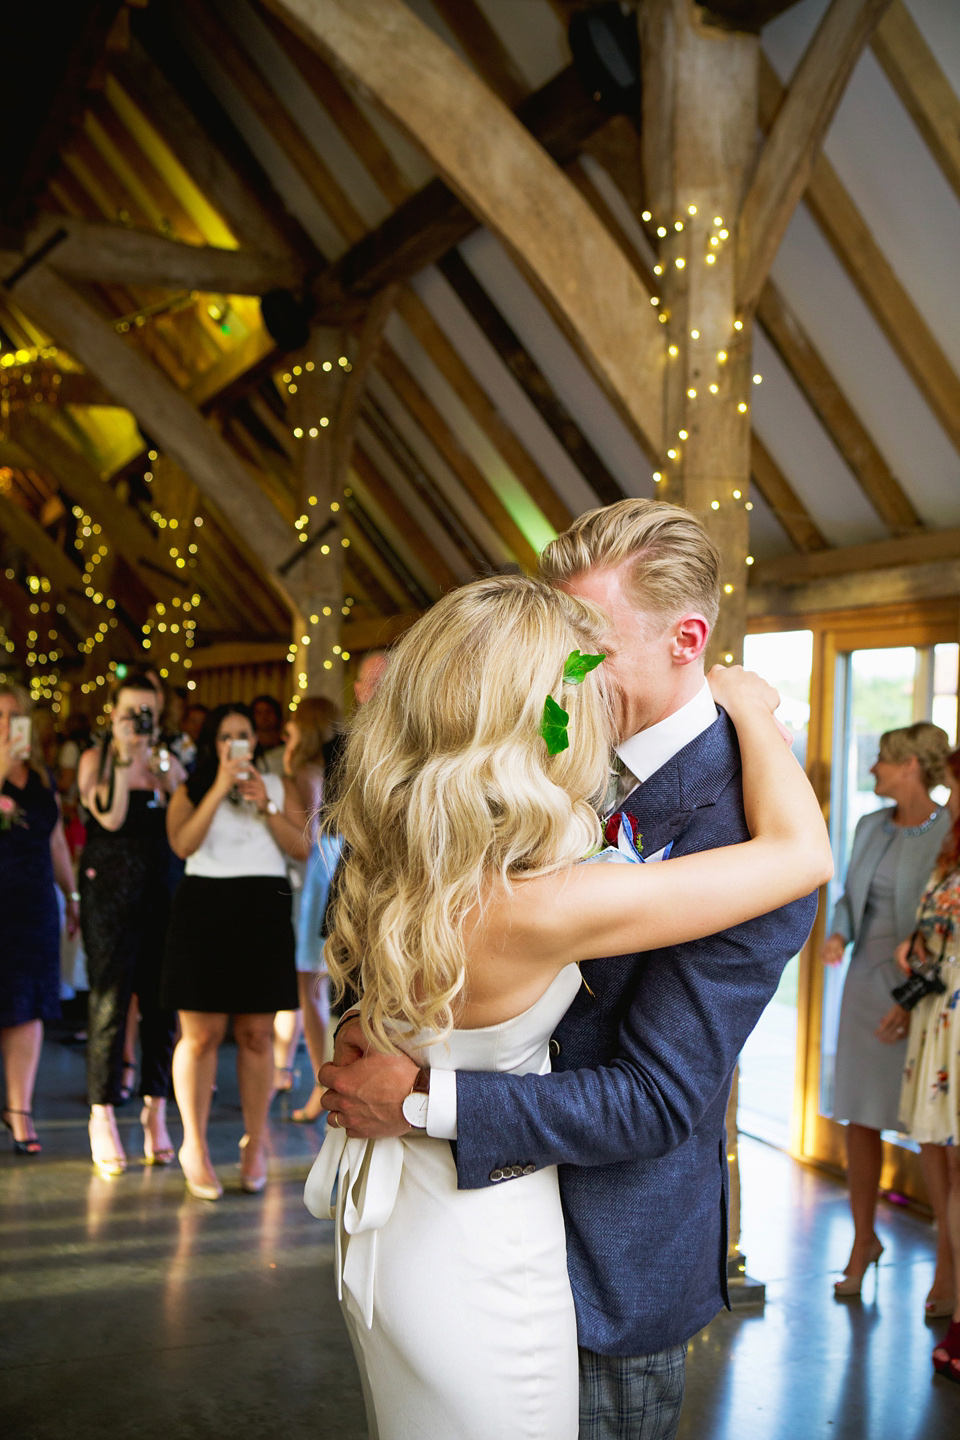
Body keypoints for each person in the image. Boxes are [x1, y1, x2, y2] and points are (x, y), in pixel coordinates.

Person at [313, 503, 828, 1440]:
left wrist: (424, 1095)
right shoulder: (521, 750)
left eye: (587, 645)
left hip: (604, 1278)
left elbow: (658, 1100)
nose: (568, 678)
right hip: (447, 1240)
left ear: (688, 639)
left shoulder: (741, 827)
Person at [820, 723, 950, 1299]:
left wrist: (910, 996)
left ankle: (949, 1265)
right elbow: (851, 896)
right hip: (861, 987)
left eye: (883, 761)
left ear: (912, 767)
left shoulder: (950, 832)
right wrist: (837, 936)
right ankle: (862, 1240)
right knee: (859, 1118)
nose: (873, 770)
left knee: (930, 1129)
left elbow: (939, 925)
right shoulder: (869, 824)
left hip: (919, 991)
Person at [162, 703, 308, 1200]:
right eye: (226, 737)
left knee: (256, 1034)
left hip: (261, 909)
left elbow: (302, 847)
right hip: (204, 906)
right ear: (213, 744)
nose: (235, 744)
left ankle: (255, 1141)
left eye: (242, 735)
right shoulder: (193, 787)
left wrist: (266, 804)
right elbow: (182, 844)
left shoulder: (277, 783)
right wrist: (219, 788)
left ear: (256, 739)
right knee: (201, 1035)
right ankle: (195, 1145)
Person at [77, 674, 185, 1177]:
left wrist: (161, 765)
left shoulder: (167, 760)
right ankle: (102, 1114)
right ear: (113, 714)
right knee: (108, 1003)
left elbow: (182, 814)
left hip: (162, 889)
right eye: (132, 712)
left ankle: (154, 1111)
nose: (142, 721)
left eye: (149, 712)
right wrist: (123, 755)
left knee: (161, 1007)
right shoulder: (96, 762)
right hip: (110, 893)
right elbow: (111, 816)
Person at [897, 745, 960, 1379]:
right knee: (936, 1153)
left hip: (955, 1015)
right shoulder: (949, 848)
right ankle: (949, 1271)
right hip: (938, 1010)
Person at [0, 684, 79, 1154]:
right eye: (0, 716)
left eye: (15, 716)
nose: (9, 725)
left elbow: (54, 841)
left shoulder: (42, 777)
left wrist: (71, 895)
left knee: (28, 1008)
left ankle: (19, 1110)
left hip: (33, 902)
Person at [272, 696, 341, 1117]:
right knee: (324, 984)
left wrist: (269, 811)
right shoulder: (338, 767)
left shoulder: (305, 771)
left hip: (317, 875)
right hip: (336, 864)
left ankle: (321, 1078)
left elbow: (306, 838)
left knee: (310, 984)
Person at [251, 693, 286, 776]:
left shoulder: (287, 750)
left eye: (268, 711)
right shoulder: (249, 750)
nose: (264, 717)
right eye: (259, 713)